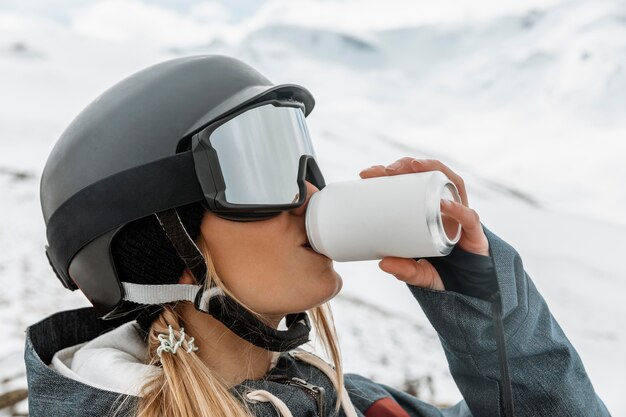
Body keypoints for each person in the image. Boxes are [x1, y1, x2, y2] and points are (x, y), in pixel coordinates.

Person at [24, 55, 610, 417]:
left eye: (301, 157)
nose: (309, 195)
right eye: (262, 171)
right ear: (163, 249)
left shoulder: (352, 404)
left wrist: (486, 311)